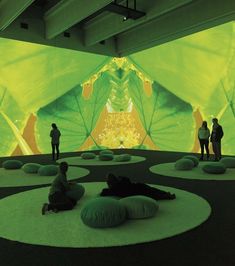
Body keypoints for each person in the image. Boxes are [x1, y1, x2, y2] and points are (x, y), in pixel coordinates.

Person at [100, 173, 176, 200]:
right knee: (152, 192)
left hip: (137, 189)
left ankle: (166, 195)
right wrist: (121, 178)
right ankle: (166, 195)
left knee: (152, 192)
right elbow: (127, 180)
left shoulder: (112, 189)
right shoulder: (120, 184)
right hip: (138, 189)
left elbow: (103, 192)